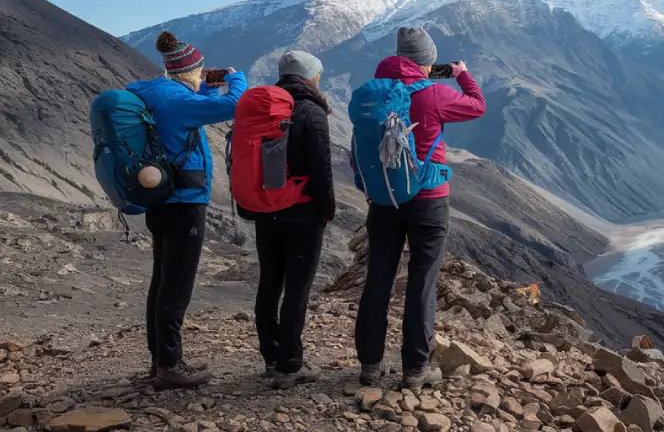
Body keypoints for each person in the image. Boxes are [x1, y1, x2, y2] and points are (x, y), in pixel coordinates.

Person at [355, 27, 486, 390]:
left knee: (378, 280)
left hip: (383, 200)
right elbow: (478, 106)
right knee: (421, 284)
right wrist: (462, 76)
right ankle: (415, 369)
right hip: (428, 200)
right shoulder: (434, 93)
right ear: (426, 62)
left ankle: (369, 365)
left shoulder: (375, 94)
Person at [126, 31, 246, 389]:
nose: (205, 73)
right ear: (188, 71)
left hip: (160, 196)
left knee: (162, 280)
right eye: (201, 69)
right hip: (184, 201)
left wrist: (207, 85)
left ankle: (160, 359)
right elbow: (234, 104)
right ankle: (170, 368)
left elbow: (197, 105)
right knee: (176, 286)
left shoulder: (158, 94)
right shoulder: (178, 102)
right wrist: (234, 76)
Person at [237, 51, 336, 389]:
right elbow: (322, 167)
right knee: (297, 288)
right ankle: (290, 364)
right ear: (310, 77)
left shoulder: (264, 112)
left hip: (266, 210)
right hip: (303, 214)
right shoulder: (312, 112)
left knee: (270, 282)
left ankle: (270, 355)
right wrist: (326, 209)